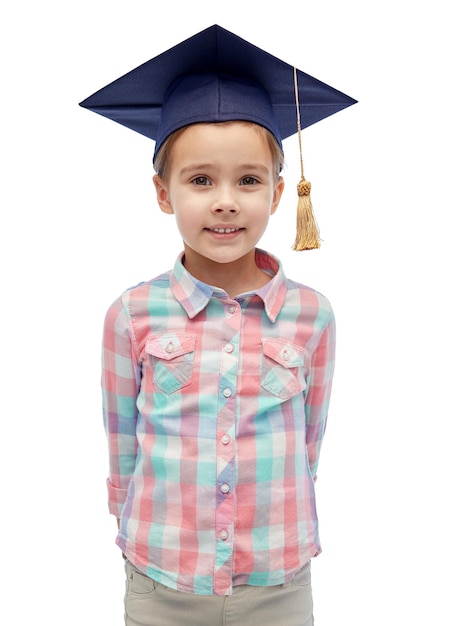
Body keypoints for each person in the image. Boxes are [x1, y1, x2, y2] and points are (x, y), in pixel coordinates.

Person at [80, 24, 356, 626]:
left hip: (278, 579)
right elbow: (122, 440)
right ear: (162, 192)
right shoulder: (131, 315)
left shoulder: (313, 316)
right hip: (162, 578)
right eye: (200, 180)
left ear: (281, 193)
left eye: (249, 180)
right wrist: (133, 530)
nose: (225, 200)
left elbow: (309, 444)